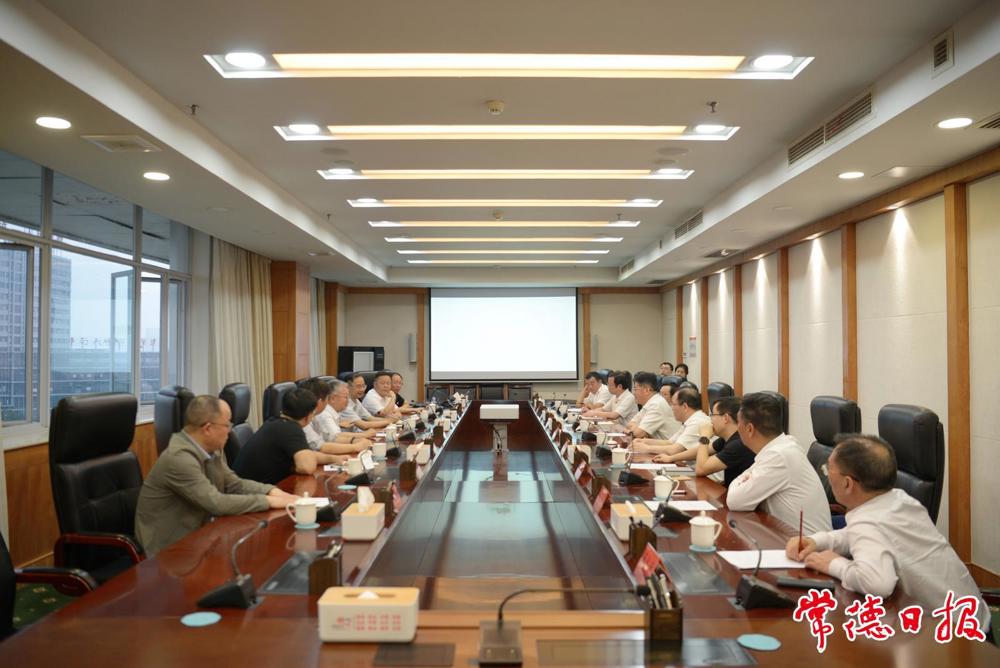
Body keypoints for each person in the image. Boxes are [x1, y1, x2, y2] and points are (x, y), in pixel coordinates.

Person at [786, 435, 991, 637]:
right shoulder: (899, 500)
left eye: (827, 470)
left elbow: (877, 584)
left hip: (956, 638)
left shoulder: (869, 521)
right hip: (975, 619)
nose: (826, 475)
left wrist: (833, 564)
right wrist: (817, 541)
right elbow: (854, 534)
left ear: (847, 483)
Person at [134, 395, 298, 556]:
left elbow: (233, 484)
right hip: (168, 549)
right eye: (227, 424)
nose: (230, 430)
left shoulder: (212, 449)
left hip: (200, 534)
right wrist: (269, 501)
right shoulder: (179, 458)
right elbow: (216, 503)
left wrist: (273, 491)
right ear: (207, 428)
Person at [726, 392, 832, 534]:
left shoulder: (780, 455)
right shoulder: (783, 445)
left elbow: (734, 500)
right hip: (786, 536)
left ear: (750, 429)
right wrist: (746, 476)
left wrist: (745, 478)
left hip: (807, 544)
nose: (737, 428)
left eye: (738, 423)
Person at [234, 387, 348, 485]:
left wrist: (333, 459)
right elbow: (306, 467)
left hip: (250, 486)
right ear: (308, 416)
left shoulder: (276, 422)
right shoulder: (291, 429)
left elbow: (306, 453)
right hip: (252, 492)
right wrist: (297, 464)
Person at [652, 396, 755, 486]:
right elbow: (700, 450)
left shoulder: (738, 444)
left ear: (725, 418)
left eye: (712, 415)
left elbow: (701, 469)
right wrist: (671, 458)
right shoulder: (728, 438)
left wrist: (704, 437)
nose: (710, 420)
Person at [633, 386, 711, 454]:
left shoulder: (697, 422)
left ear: (685, 406)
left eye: (673, 404)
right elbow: (670, 442)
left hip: (690, 466)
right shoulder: (690, 420)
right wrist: (644, 442)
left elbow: (675, 449)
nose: (671, 408)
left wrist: (647, 448)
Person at [303, 379, 374, 453]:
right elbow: (330, 442)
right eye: (346, 397)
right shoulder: (323, 415)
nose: (348, 400)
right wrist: (357, 443)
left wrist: (357, 439)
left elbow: (333, 437)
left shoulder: (321, 414)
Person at [624, 372, 679, 440]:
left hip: (669, 445)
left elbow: (638, 434)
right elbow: (629, 425)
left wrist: (636, 429)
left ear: (647, 390)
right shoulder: (650, 403)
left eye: (635, 389)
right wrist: (637, 428)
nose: (634, 393)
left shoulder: (657, 405)